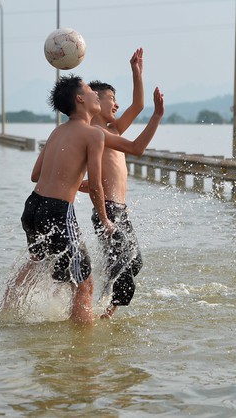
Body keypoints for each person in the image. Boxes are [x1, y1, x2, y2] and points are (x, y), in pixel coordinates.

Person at [19, 74, 115, 325]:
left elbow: (35, 175)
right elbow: (96, 185)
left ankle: (6, 312)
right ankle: (84, 352)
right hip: (57, 212)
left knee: (36, 266)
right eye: (89, 91)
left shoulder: (57, 131)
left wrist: (69, 181)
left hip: (33, 207)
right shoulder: (94, 134)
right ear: (80, 99)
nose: (95, 93)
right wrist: (105, 219)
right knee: (85, 285)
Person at [85, 48, 160, 318]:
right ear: (94, 101)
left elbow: (138, 105)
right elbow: (136, 148)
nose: (116, 105)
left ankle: (104, 309)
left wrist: (137, 73)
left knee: (132, 262)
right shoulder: (94, 134)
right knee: (123, 263)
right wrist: (157, 116)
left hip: (119, 209)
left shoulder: (113, 130)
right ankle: (101, 312)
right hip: (108, 210)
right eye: (111, 99)